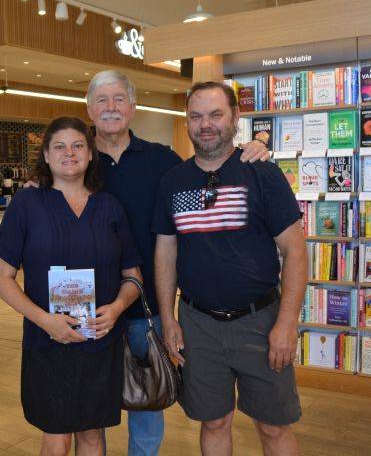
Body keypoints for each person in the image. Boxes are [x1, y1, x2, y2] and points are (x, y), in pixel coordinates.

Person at [84, 70, 270, 456]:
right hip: (90, 308)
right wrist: (36, 181)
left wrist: (258, 146)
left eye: (119, 99)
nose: (111, 108)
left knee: (148, 404)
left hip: (149, 304)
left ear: (133, 107)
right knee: (90, 412)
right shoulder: (74, 159)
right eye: (101, 100)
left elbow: (210, 166)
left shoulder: (162, 161)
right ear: (89, 108)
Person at [153, 81, 308, 456]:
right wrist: (169, 318)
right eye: (196, 116)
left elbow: (295, 251)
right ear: (187, 122)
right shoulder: (173, 181)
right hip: (198, 324)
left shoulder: (262, 173)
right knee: (214, 421)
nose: (206, 124)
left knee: (273, 426)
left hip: (261, 320)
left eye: (216, 114)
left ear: (235, 118)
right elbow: (166, 253)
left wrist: (286, 324)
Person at [0, 116, 143, 456]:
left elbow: (133, 275)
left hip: (99, 340)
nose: (69, 153)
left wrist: (117, 308)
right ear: (46, 155)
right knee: (56, 438)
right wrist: (45, 320)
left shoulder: (109, 207)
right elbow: (2, 279)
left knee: (92, 434)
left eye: (78, 146)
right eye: (59, 147)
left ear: (91, 154)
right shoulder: (27, 204)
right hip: (47, 342)